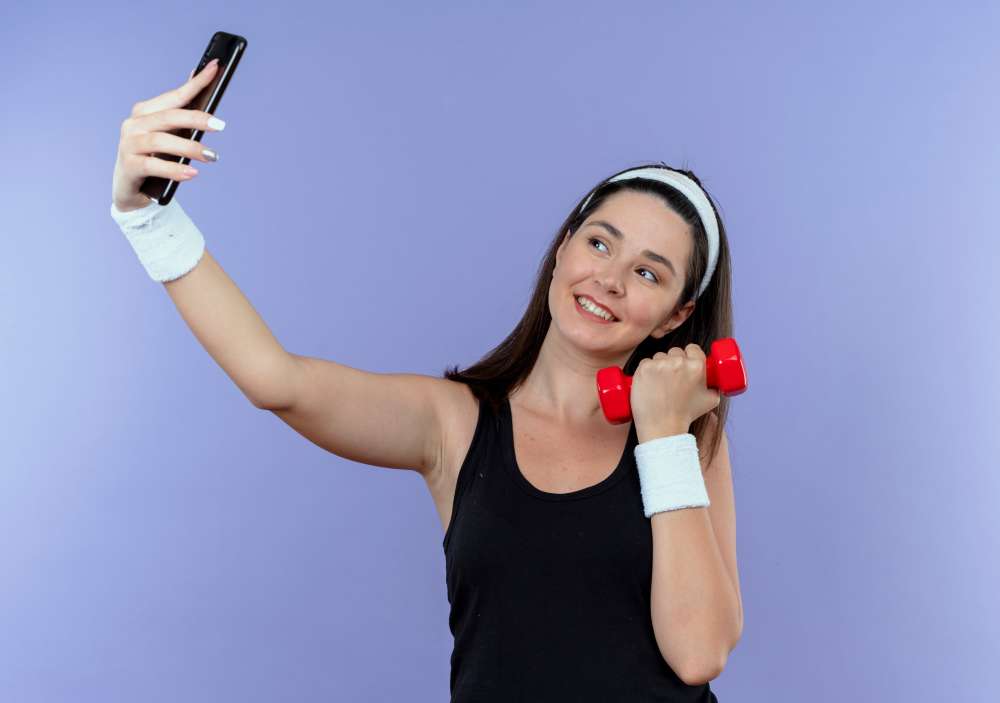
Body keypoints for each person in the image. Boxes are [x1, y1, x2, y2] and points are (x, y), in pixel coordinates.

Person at [110, 61, 741, 702]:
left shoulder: (689, 437)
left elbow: (698, 654)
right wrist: (146, 219)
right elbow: (278, 382)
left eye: (649, 274)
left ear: (678, 316)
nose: (609, 279)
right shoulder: (454, 421)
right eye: (601, 245)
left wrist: (663, 434)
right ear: (564, 247)